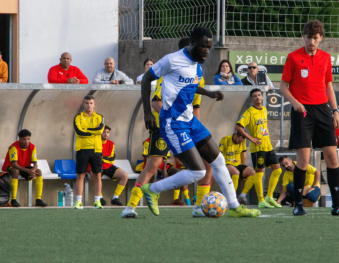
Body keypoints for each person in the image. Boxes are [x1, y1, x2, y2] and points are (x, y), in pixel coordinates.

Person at [139, 27, 260, 218]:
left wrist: (209, 93)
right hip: (173, 123)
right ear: (192, 43)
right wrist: (147, 112)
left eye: (209, 47)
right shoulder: (171, 60)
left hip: (190, 120)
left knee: (218, 160)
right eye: (203, 46)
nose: (206, 51)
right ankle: (153, 189)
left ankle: (235, 207)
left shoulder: (197, 64)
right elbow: (147, 79)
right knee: (197, 171)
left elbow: (190, 86)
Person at [121, 37, 209, 218]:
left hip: (186, 127)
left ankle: (198, 206)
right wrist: (172, 118)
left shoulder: (197, 74)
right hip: (166, 127)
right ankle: (130, 207)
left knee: (205, 163)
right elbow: (156, 102)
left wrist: (194, 129)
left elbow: (196, 106)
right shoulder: (168, 74)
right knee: (153, 165)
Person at [280, 20, 339, 216]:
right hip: (302, 112)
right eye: (309, 37)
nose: (312, 41)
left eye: (315, 38)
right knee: (303, 161)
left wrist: (336, 111)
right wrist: (294, 102)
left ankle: (336, 205)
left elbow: (329, 86)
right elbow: (282, 87)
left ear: (321, 38)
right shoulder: (293, 57)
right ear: (303, 37)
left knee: (331, 157)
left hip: (322, 110)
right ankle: (298, 204)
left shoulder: (326, 58)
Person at [235, 88, 283, 209]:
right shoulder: (249, 112)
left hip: (268, 145)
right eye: (255, 96)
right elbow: (238, 126)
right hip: (258, 148)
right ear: (252, 99)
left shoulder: (265, 110)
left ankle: (269, 197)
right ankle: (261, 200)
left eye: (259, 95)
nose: (257, 97)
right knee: (259, 173)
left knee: (277, 170)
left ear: (262, 97)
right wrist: (251, 138)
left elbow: (264, 126)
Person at [73, 95, 105, 209]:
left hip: (96, 149)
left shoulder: (100, 117)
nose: (89, 105)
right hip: (82, 149)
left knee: (97, 175)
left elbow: (100, 130)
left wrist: (86, 129)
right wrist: (93, 131)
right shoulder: (78, 117)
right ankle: (78, 201)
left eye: (91, 103)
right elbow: (79, 132)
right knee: (80, 175)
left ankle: (97, 201)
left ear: (94, 104)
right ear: (83, 104)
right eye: (86, 103)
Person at [1, 129, 47, 207]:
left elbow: (35, 163)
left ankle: (38, 200)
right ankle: (13, 200)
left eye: (28, 139)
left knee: (38, 171)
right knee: (16, 171)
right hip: (10, 167)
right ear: (20, 139)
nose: (26, 141)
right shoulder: (14, 147)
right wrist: (28, 170)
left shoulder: (32, 147)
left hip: (24, 167)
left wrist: (33, 170)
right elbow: (14, 164)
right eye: (24, 139)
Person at [89, 126, 129, 206]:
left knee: (125, 175)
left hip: (108, 165)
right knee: (96, 176)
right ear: (100, 132)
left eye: (108, 132)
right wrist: (100, 158)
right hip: (95, 164)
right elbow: (93, 157)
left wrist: (101, 157)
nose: (106, 134)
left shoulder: (111, 143)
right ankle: (100, 198)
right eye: (104, 132)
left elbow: (112, 158)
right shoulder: (94, 142)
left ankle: (115, 198)